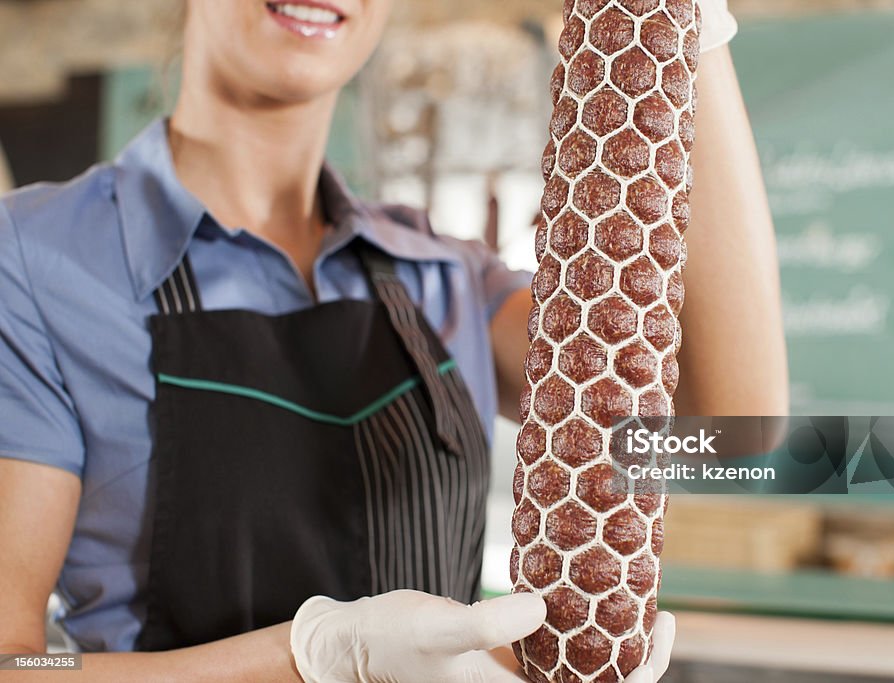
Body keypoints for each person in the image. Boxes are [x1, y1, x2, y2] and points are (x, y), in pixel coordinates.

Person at [0, 0, 786, 681]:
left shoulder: (446, 276)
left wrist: (687, 20)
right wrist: (310, 660)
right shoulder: (34, 261)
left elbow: (723, 432)